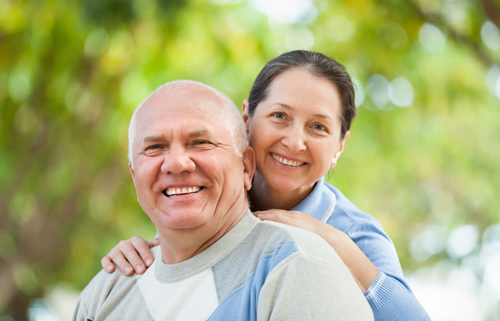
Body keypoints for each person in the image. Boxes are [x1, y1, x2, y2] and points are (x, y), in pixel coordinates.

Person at [101, 51, 430, 320]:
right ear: (245, 119)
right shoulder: (207, 192)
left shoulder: (354, 232)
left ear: (339, 147)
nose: (294, 141)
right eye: (279, 116)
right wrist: (140, 254)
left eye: (317, 127)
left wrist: (333, 241)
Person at [73, 80, 373, 320]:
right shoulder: (107, 290)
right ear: (134, 173)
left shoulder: (297, 269)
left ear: (245, 167)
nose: (176, 163)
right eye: (155, 147)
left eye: (200, 142)